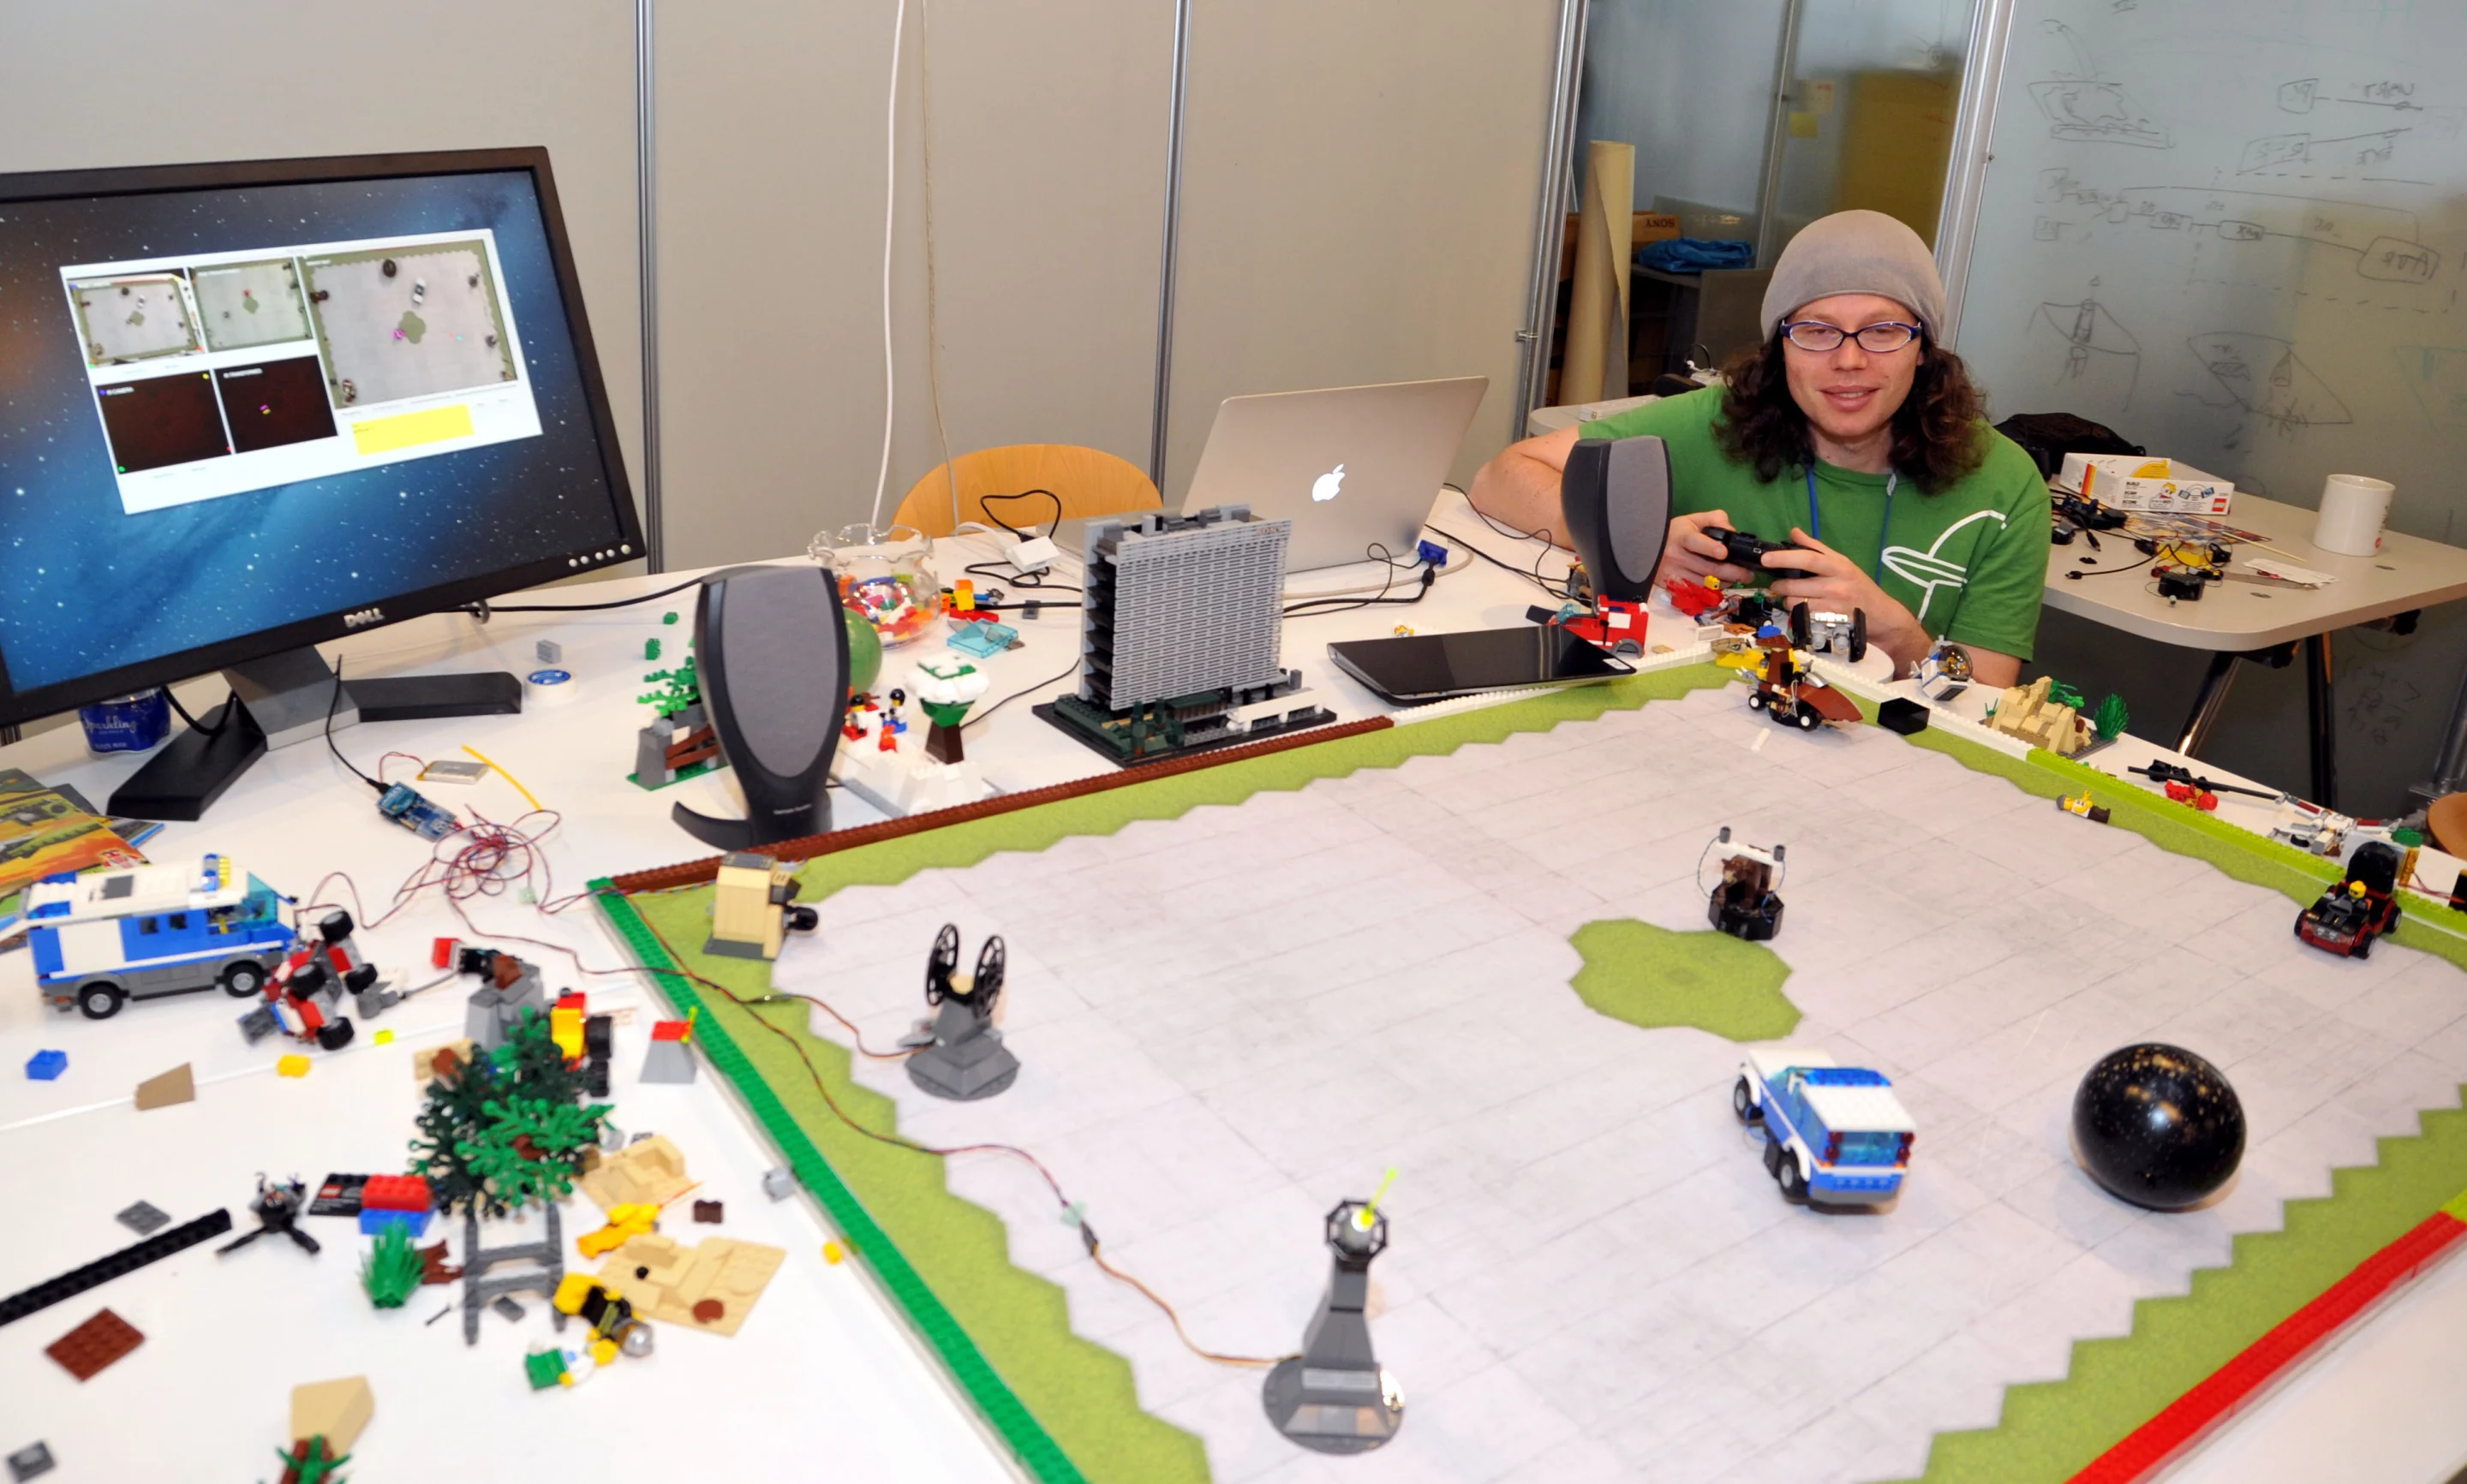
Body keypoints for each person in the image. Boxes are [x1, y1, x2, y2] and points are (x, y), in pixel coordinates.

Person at [1469, 210, 2047, 687]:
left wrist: (1900, 636)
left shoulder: (2002, 481)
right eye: (1817, 331)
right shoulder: (1719, 421)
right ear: (1781, 346)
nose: (1849, 360)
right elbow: (1500, 477)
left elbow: (1987, 698)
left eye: (1882, 331)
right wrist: (1633, 543)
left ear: (1923, 347)